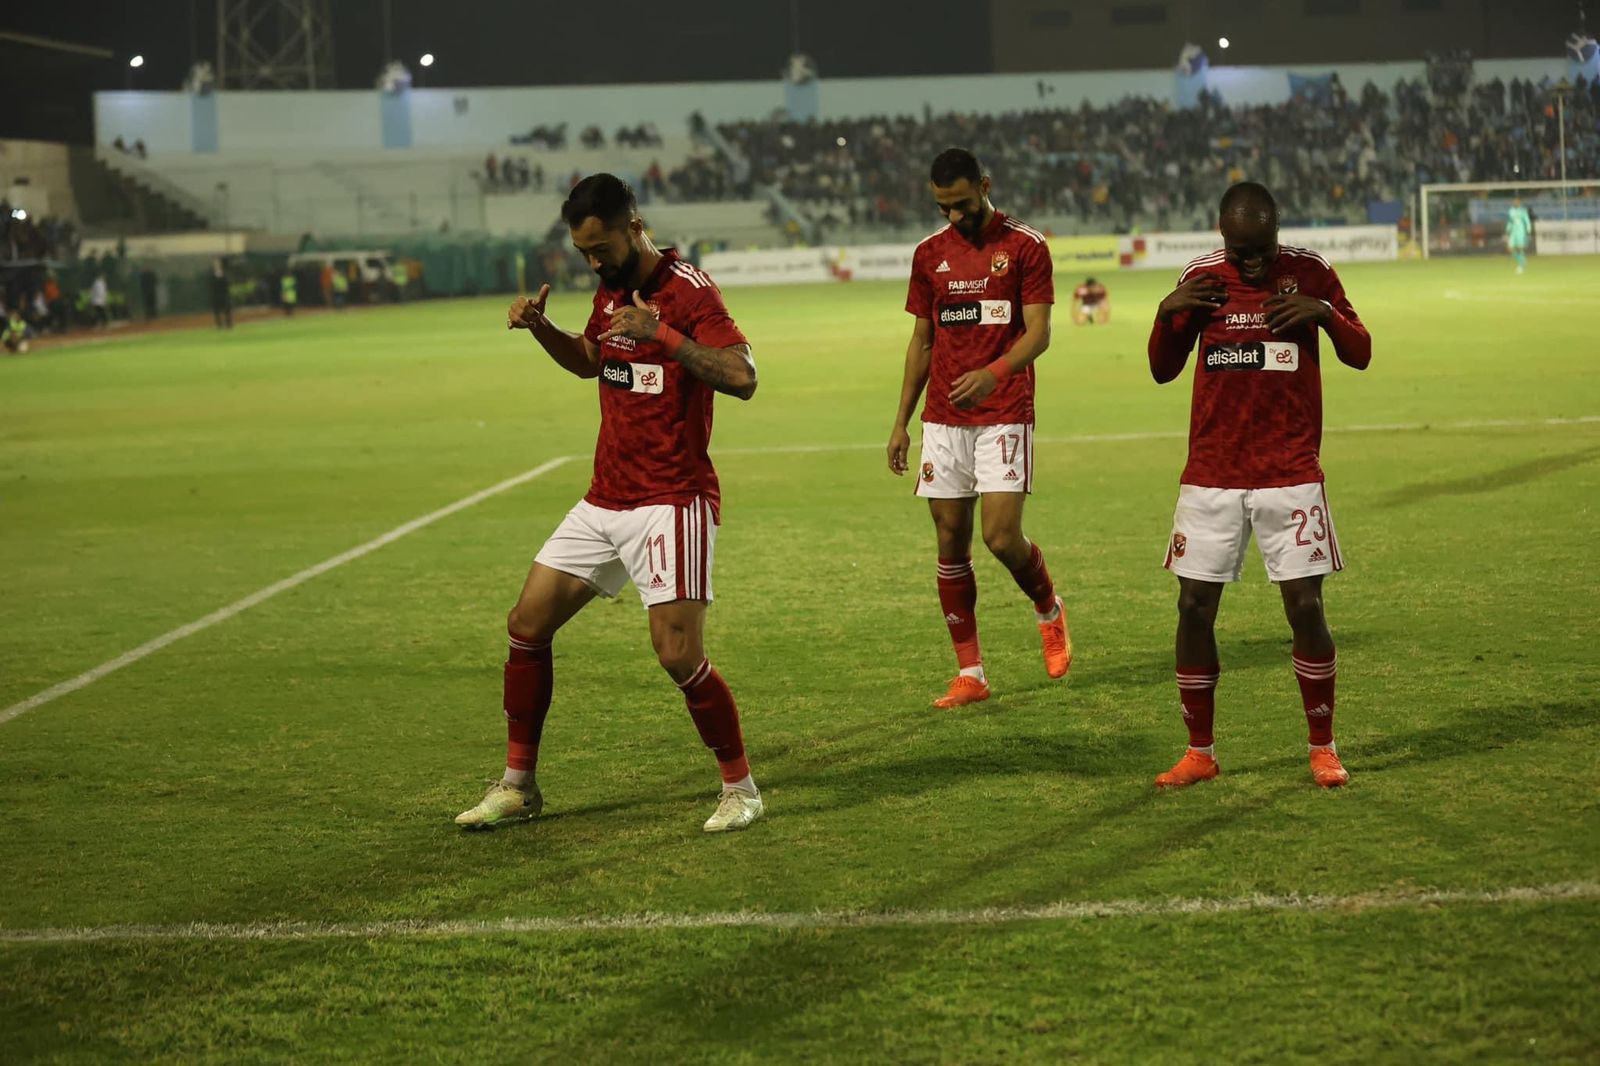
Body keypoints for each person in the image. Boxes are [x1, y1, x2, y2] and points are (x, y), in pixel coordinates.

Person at [456, 173, 764, 834]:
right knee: (526, 624)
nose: (594, 263)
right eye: (583, 252)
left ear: (635, 226)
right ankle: (518, 786)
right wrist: (542, 328)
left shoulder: (690, 291)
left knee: (678, 655)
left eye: (601, 248)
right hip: (606, 498)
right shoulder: (611, 289)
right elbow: (591, 359)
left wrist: (664, 335)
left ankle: (740, 790)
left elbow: (743, 376)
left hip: (671, 499)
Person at [1146, 181, 1372, 790]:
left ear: (1277, 229)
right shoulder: (1202, 278)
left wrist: (1325, 315)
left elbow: (1361, 352)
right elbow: (1163, 369)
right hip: (1211, 475)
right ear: (1222, 236)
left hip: (1290, 472)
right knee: (1193, 607)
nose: (1252, 263)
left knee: (1305, 607)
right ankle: (1200, 752)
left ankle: (1323, 748)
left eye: (1262, 250)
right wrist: (1167, 314)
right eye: (1240, 251)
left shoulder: (1311, 272)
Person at [886, 147, 1070, 709]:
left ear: (985, 186)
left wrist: (994, 373)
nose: (954, 216)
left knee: (1001, 537)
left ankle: (1049, 608)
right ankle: (971, 673)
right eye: (943, 206)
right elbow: (922, 341)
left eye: (962, 203)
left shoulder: (1025, 246)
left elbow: (1038, 333)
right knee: (949, 538)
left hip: (1004, 408)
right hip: (944, 418)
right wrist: (901, 422)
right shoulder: (929, 255)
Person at [1505, 195, 1532, 274]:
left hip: (1521, 231)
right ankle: (1522, 261)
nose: (1515, 202)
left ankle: (1521, 266)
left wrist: (1528, 229)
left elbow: (1527, 220)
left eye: (1517, 201)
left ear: (1520, 202)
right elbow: (1510, 220)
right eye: (1514, 201)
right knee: (1510, 248)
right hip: (1513, 232)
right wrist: (1508, 229)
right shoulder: (1511, 211)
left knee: (1520, 248)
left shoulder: (1523, 211)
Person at [210, 258, 233, 329]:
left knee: (227, 310)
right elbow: (211, 285)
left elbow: (227, 284)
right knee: (216, 311)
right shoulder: (211, 275)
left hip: (224, 295)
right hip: (216, 295)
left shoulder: (224, 273)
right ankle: (219, 325)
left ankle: (229, 324)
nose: (216, 265)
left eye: (217, 263)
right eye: (215, 264)